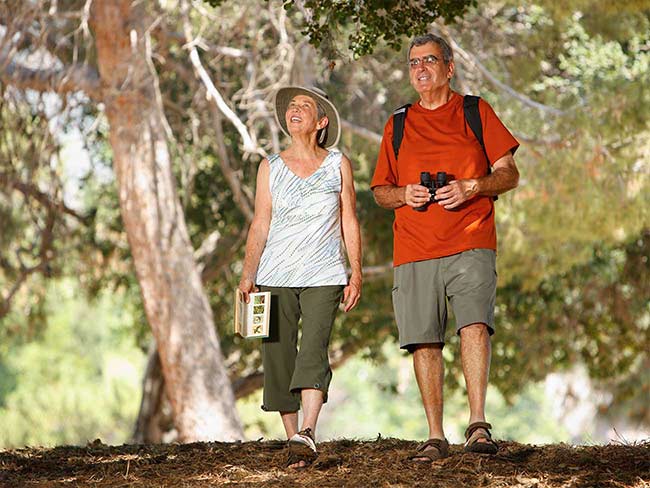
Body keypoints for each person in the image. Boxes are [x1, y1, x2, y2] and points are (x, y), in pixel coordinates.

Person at [371, 34, 520, 461]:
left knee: (474, 324)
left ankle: (477, 425)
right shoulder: (397, 122)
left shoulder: (475, 111)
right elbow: (381, 191)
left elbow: (509, 173)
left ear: (449, 68)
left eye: (430, 60)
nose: (420, 68)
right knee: (423, 340)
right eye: (413, 62)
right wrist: (405, 195)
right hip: (415, 247)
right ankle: (435, 435)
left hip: (471, 237)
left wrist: (473, 186)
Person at [238, 86, 362, 468]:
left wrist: (355, 272)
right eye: (291, 106)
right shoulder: (270, 167)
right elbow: (260, 223)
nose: (294, 110)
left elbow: (349, 219)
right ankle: (294, 440)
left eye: (304, 106)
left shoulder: (337, 164)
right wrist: (248, 273)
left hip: (324, 272)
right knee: (277, 355)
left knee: (312, 349)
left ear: (320, 122)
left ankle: (308, 430)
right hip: (275, 273)